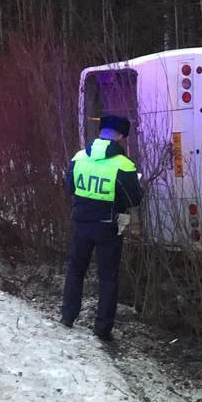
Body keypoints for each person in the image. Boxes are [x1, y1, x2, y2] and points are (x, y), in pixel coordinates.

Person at [60, 114, 143, 341]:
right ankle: (102, 329)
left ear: (101, 132)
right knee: (108, 278)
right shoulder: (124, 165)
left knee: (76, 270)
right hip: (108, 227)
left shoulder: (78, 157)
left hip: (81, 225)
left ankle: (68, 316)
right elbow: (134, 199)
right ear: (120, 137)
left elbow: (70, 186)